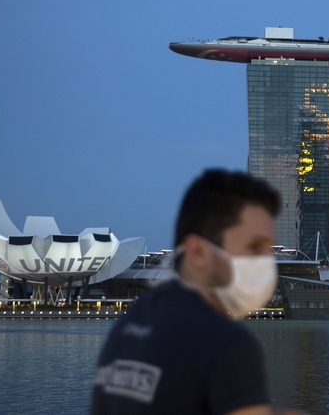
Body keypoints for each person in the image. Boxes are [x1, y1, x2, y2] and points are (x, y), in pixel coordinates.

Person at [92, 169, 291, 415]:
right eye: (253, 246)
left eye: (269, 248)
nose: (266, 262)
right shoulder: (227, 344)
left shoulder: (131, 323)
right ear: (197, 252)